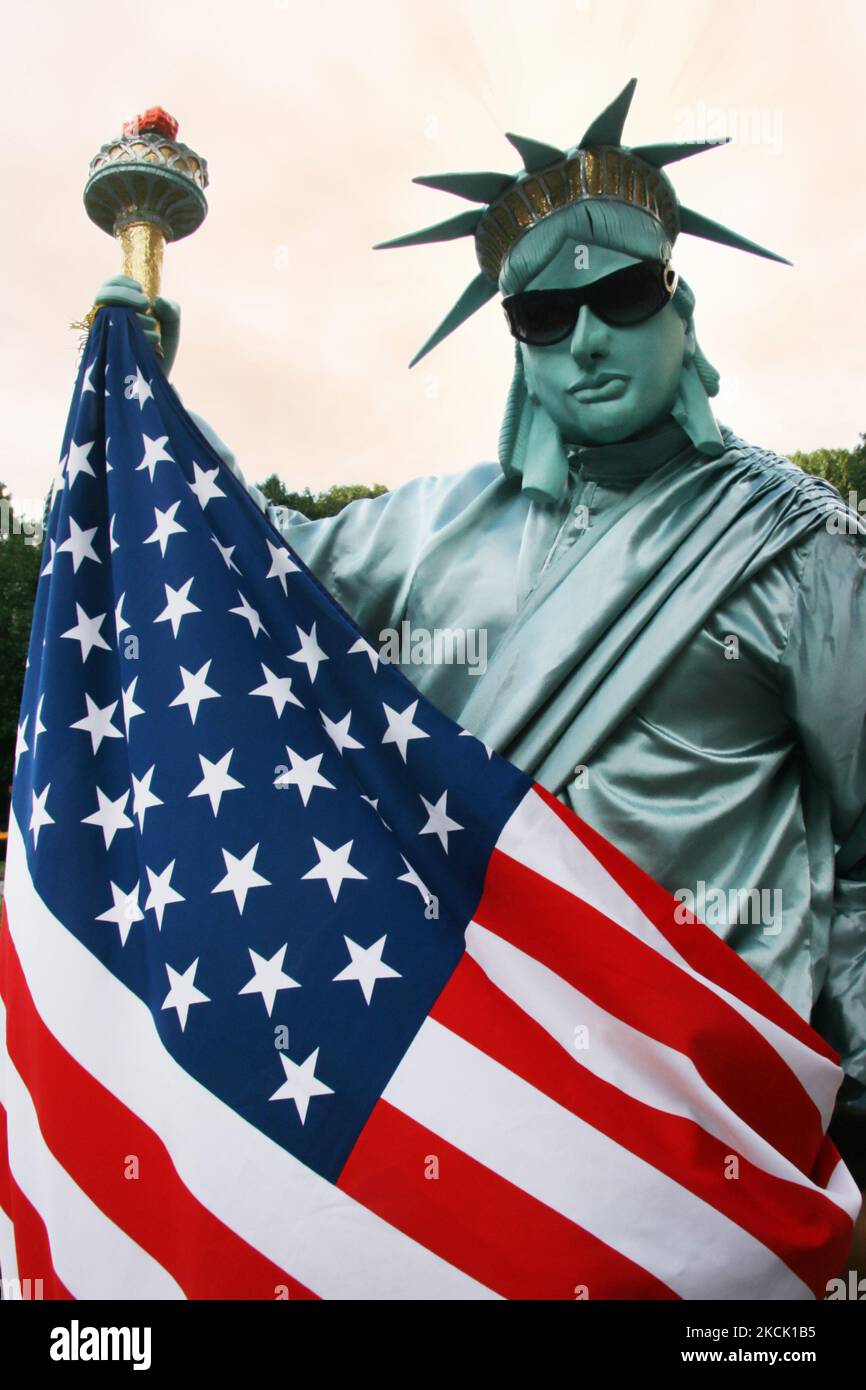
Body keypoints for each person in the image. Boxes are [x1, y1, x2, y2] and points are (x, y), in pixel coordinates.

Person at [93, 79, 866, 1263]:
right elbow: (241, 571)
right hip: (484, 1133)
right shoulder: (424, 532)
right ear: (513, 343)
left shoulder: (802, 549)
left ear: (680, 305)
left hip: (715, 1165)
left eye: (619, 295)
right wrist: (152, 411)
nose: (586, 338)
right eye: (543, 316)